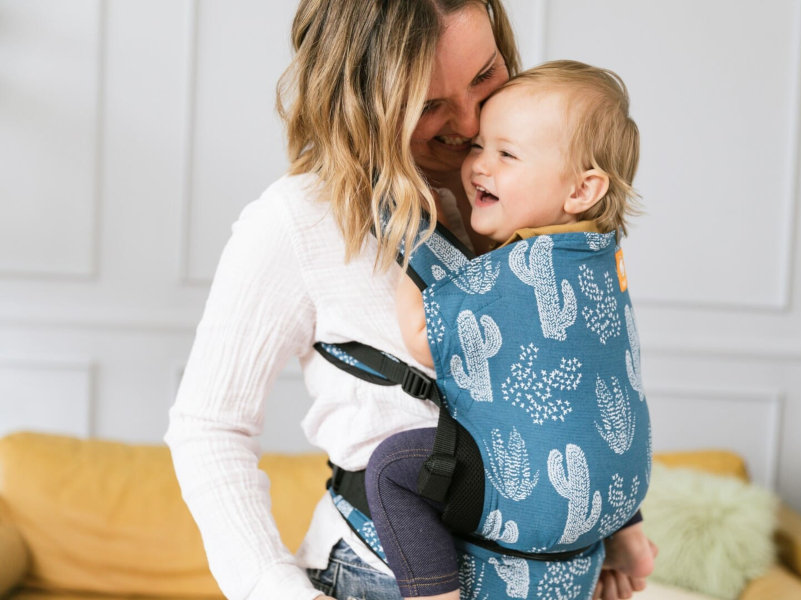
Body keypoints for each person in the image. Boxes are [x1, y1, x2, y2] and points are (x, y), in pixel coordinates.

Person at [164, 1, 649, 598]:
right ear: (360, 101)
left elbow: (572, 390)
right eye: (428, 104)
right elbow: (210, 429)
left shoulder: (538, 195)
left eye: (484, 74)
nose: (469, 123)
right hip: (380, 577)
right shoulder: (298, 222)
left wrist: (604, 531)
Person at [368, 61, 655, 600]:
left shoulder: (527, 269)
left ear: (582, 189)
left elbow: (423, 338)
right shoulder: (598, 256)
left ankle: (433, 593)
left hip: (544, 498)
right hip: (621, 485)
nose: (478, 164)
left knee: (391, 472)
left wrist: (413, 236)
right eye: (479, 146)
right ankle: (630, 543)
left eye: (507, 154)